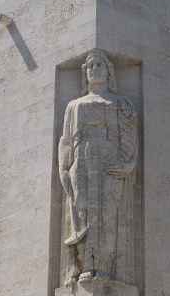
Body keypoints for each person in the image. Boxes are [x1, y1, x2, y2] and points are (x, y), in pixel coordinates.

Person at [58, 49, 138, 284]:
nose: (94, 69)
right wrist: (63, 168)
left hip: (109, 163)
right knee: (82, 213)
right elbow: (66, 140)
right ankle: (83, 265)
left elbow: (129, 136)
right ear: (85, 72)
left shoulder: (120, 103)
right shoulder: (74, 105)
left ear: (108, 71)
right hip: (81, 162)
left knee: (108, 214)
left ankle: (105, 268)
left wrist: (129, 164)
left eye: (99, 65)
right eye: (91, 66)